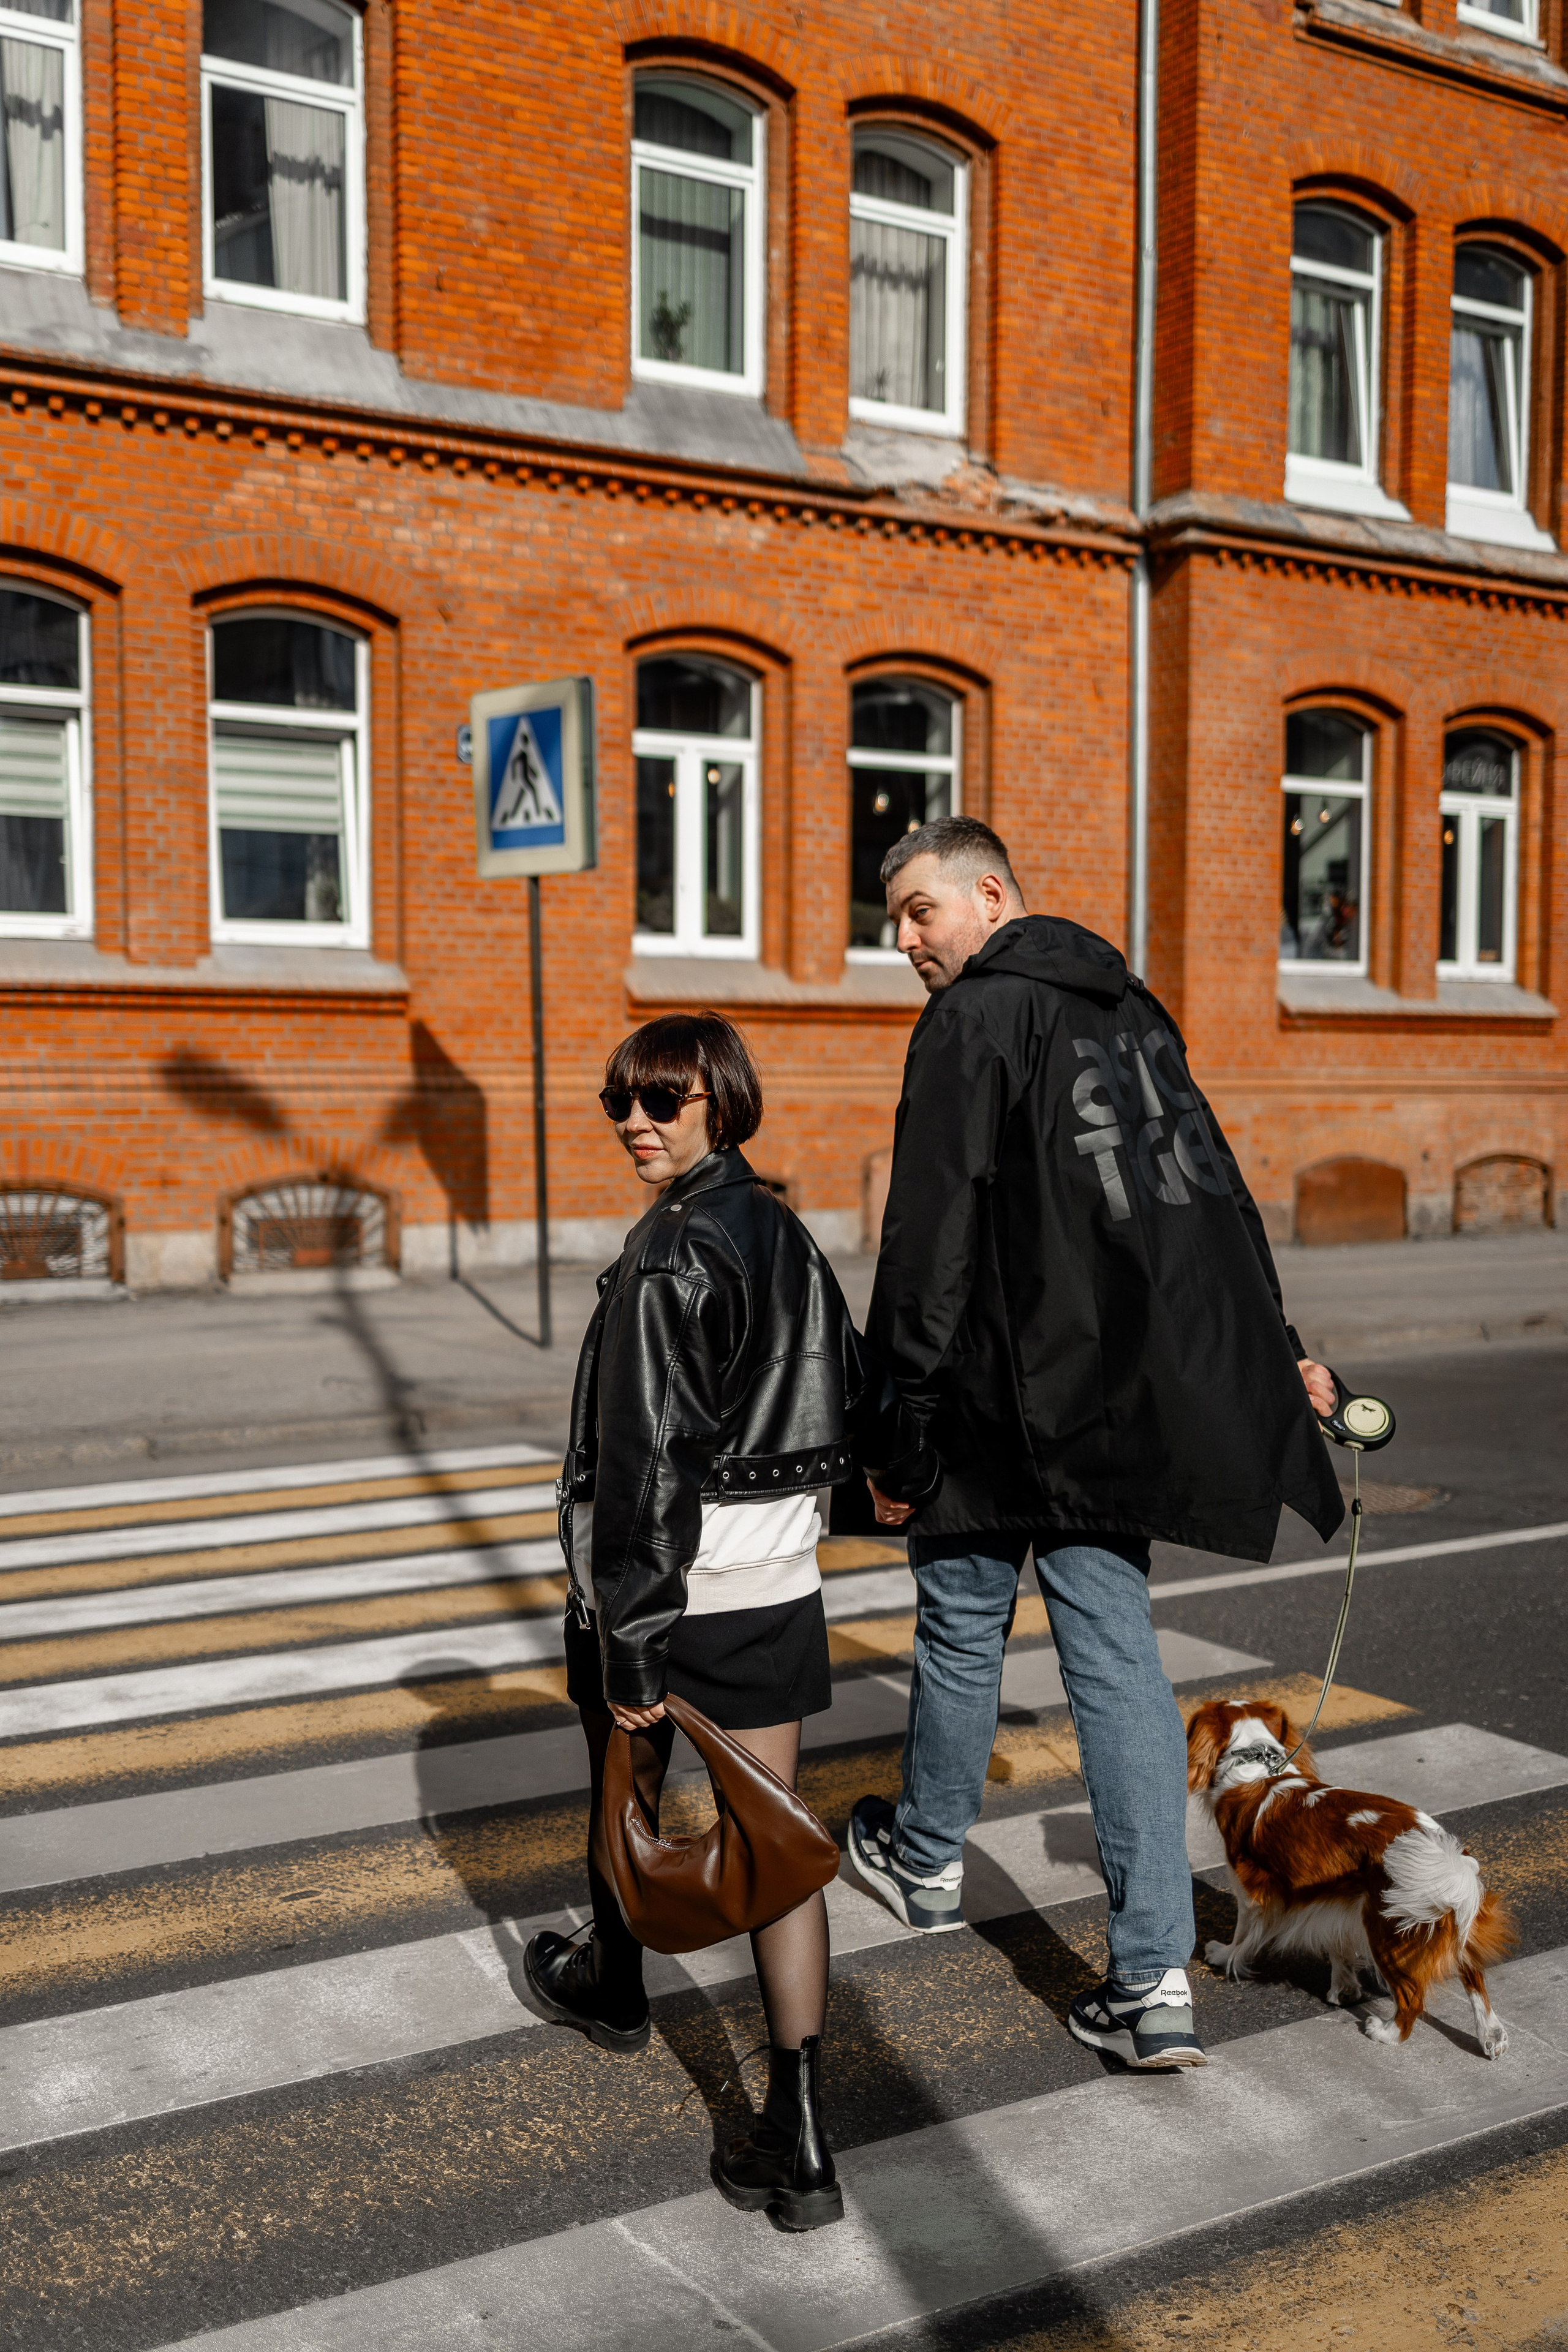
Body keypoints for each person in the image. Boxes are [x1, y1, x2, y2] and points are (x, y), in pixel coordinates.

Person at [846, 816, 1343, 2071]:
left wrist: (892, 1418)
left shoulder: (970, 1020)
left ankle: (923, 1863)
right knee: (1113, 1653)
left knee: (960, 1622)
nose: (902, 940)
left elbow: (925, 1243)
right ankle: (1149, 1980)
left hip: (981, 1385)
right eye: (893, 920)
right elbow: (1208, 1198)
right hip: (1097, 1393)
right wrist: (1274, 1343)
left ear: (990, 894)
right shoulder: (1130, 1009)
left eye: (917, 911)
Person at [527, 1009, 864, 2232]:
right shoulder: (781, 1226)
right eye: (622, 1100)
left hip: (669, 1595)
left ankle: (614, 1987)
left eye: (661, 1101)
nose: (634, 1122)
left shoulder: (672, 1252)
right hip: (777, 1587)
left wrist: (628, 1642)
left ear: (718, 1100)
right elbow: (853, 1394)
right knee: (774, 1857)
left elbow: (648, 1467)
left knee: (621, 1798)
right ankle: (805, 2137)